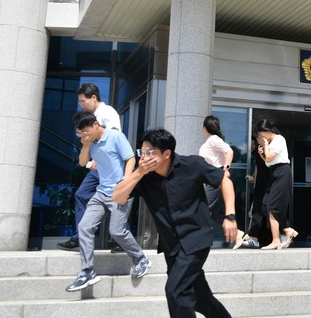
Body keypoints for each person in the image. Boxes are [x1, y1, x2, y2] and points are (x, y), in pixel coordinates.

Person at [112, 128, 237, 318]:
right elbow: (117, 196)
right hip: (171, 246)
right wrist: (138, 172)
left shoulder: (192, 164)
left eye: (150, 152)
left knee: (175, 291)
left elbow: (225, 181)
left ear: (166, 154)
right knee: (200, 298)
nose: (144, 157)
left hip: (196, 239)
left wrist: (230, 216)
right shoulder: (144, 177)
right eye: (142, 152)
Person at [65, 111, 151, 292]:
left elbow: (130, 159)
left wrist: (125, 183)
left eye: (85, 132)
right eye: (80, 133)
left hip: (120, 191)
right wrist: (85, 145)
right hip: (101, 192)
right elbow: (82, 163)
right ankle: (87, 272)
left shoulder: (115, 136)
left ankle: (141, 259)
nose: (84, 135)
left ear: (96, 124)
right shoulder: (90, 143)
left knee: (117, 231)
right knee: (84, 227)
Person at [58, 82, 126, 253]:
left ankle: (121, 240)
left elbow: (115, 135)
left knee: (115, 200)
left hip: (111, 168)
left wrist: (98, 158)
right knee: (81, 195)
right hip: (98, 169)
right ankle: (80, 236)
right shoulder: (87, 118)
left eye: (83, 100)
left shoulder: (108, 112)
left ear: (94, 97)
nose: (81, 104)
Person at [254, 118, 298, 249]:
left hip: (282, 172)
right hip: (274, 172)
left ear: (266, 131)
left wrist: (265, 146)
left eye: (260, 134)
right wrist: (262, 155)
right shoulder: (270, 142)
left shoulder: (279, 139)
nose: (260, 137)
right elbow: (268, 162)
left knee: (272, 207)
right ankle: (287, 230)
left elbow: (269, 157)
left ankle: (276, 240)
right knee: (266, 204)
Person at [197, 115, 238, 246]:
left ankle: (201, 240)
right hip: (211, 179)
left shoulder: (213, 139)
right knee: (215, 214)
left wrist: (225, 169)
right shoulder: (211, 141)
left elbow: (229, 151)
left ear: (205, 128)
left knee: (203, 209)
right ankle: (238, 234)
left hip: (216, 179)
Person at [235, 138, 269, 249]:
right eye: (251, 144)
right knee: (246, 214)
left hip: (254, 189)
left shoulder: (257, 156)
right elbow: (239, 173)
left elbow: (257, 170)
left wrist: (254, 180)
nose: (252, 146)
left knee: (254, 213)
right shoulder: (244, 156)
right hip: (244, 189)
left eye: (254, 144)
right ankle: (244, 236)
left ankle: (252, 237)